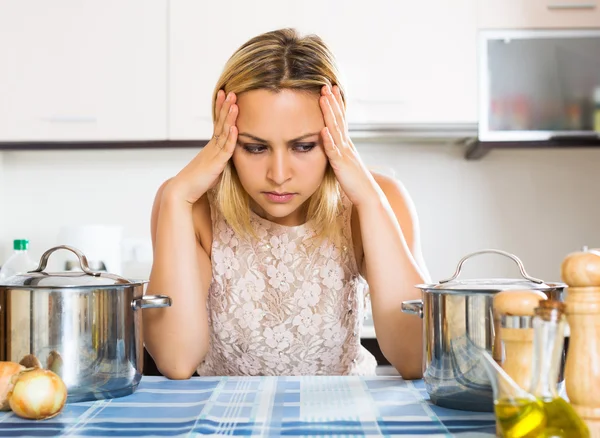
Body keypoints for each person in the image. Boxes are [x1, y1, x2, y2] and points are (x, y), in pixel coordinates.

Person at [143, 28, 431, 380]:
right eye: (255, 147)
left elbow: (417, 357)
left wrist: (370, 200)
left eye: (304, 146)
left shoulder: (380, 200)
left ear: (335, 133)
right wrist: (176, 196)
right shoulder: (187, 205)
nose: (278, 174)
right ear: (226, 137)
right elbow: (176, 360)